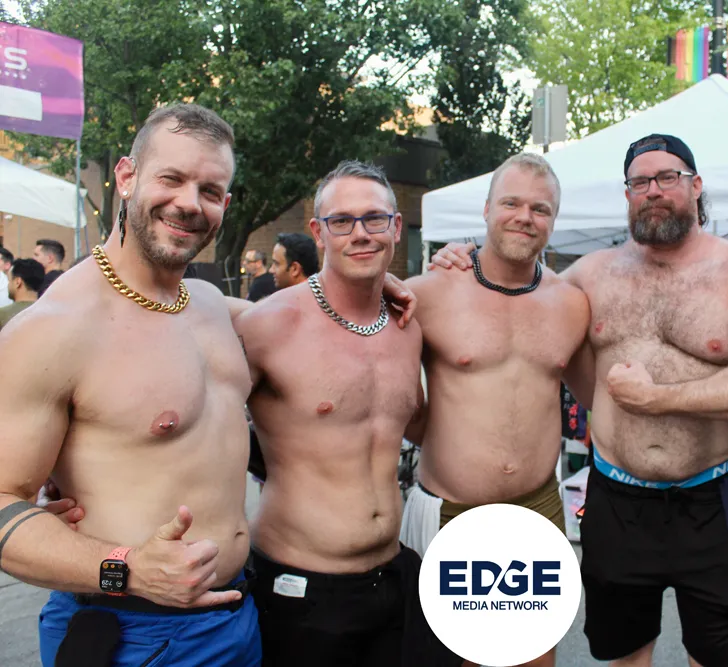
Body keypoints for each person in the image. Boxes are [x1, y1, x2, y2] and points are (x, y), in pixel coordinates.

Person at [430, 134, 728, 667]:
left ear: (696, 186)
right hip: (617, 500)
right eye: (639, 182)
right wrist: (465, 256)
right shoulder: (590, 276)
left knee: (716, 657)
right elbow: (518, 292)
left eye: (668, 177)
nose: (654, 190)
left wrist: (659, 400)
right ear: (626, 194)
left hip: (712, 499)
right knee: (625, 654)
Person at [0, 103, 262, 667]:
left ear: (224, 205)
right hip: (132, 633)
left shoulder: (212, 306)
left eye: (210, 190)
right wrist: (127, 568)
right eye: (171, 178)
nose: (189, 202)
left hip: (239, 619)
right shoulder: (55, 329)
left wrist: (374, 285)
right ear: (126, 176)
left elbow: (306, 317)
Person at [233, 161, 457, 666]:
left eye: (374, 219)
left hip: (392, 577)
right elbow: (199, 422)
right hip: (300, 587)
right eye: (342, 221)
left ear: (395, 228)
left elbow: (420, 424)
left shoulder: (407, 326)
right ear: (319, 232)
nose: (360, 233)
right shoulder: (269, 325)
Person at [401, 153, 591, 667]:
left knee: (533, 657)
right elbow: (393, 399)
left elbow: (597, 399)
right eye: (511, 203)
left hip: (537, 508)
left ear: (553, 220)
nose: (525, 217)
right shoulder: (427, 294)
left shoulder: (570, 304)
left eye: (540, 209)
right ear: (486, 209)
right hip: (453, 512)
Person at [0, 258, 44, 330]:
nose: (8, 285)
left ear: (18, 282)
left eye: (9, 280)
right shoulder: (50, 314)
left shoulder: (2, 315)